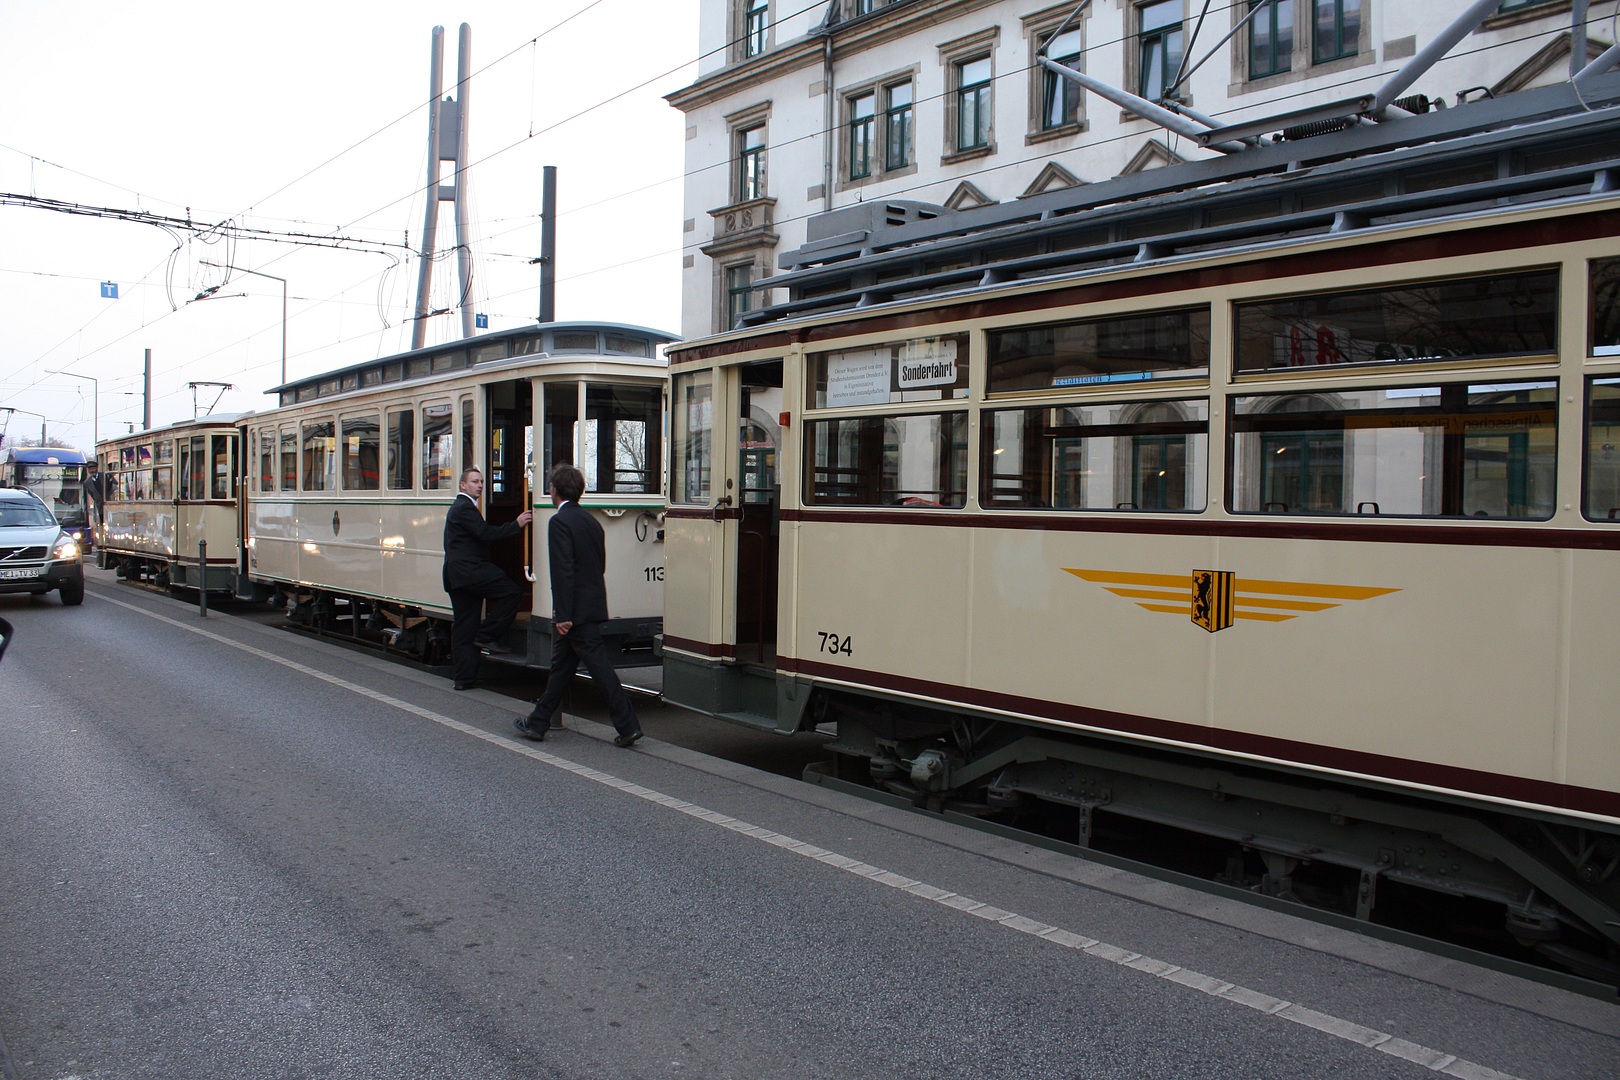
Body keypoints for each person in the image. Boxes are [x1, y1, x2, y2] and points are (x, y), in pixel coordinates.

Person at [515, 463, 643, 747]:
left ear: (554, 491)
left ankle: (629, 725)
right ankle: (538, 723)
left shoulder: (559, 523)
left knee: (600, 669)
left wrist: (563, 614)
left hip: (574, 613)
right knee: (561, 668)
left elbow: (563, 571)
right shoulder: (591, 522)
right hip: (591, 605)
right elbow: (599, 565)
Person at [442, 467, 533, 690]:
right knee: (511, 593)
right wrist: (517, 524)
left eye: (482, 481)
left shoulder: (462, 507)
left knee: (464, 627)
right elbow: (485, 534)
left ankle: (464, 679)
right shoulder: (464, 507)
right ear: (463, 486)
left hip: (458, 576)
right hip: (470, 572)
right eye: (474, 481)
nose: (480, 485)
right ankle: (487, 635)